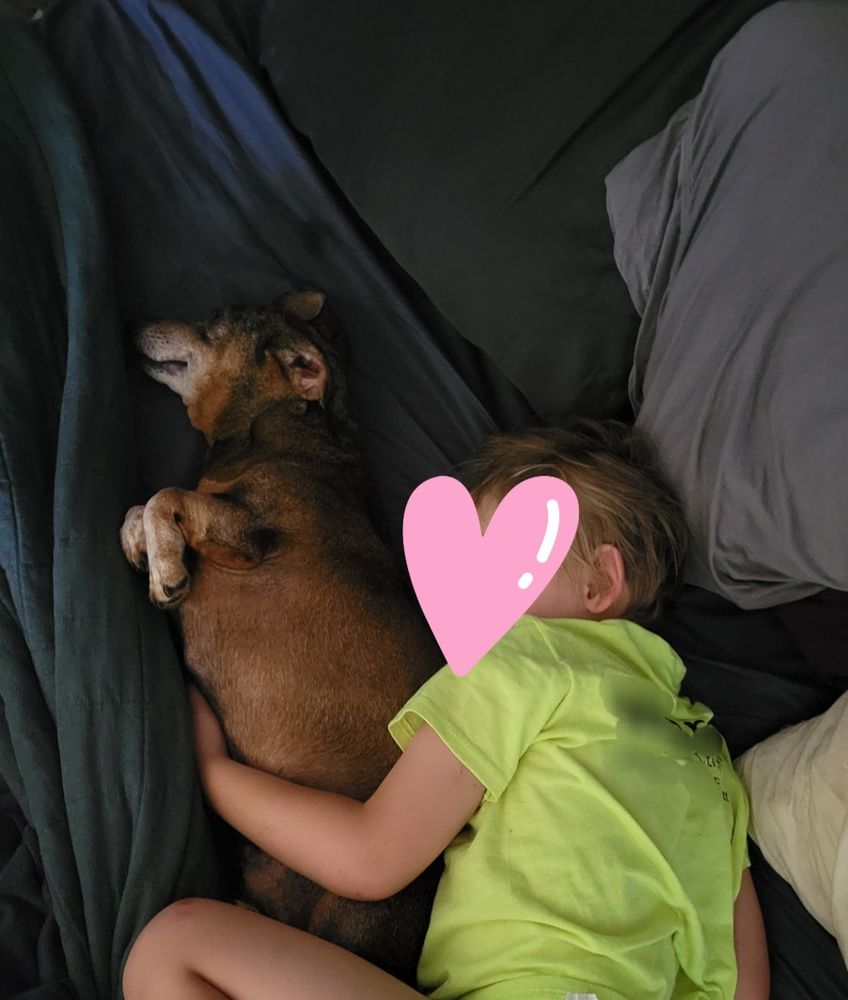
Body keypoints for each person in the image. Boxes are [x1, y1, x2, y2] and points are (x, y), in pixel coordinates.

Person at [122, 420, 768, 1000]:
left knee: (176, 945)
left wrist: (210, 770)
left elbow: (371, 858)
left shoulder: (527, 664)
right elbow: (741, 983)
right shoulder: (709, 761)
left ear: (599, 582)